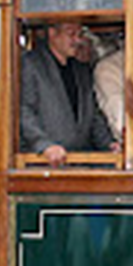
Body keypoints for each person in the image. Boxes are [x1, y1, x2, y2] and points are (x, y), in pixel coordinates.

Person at [20, 20, 119, 167]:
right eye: (71, 34)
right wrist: (44, 145)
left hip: (78, 163)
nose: (77, 40)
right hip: (43, 164)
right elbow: (23, 111)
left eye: (79, 34)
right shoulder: (31, 64)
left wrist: (109, 144)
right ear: (52, 33)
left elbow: (93, 115)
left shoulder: (81, 70)